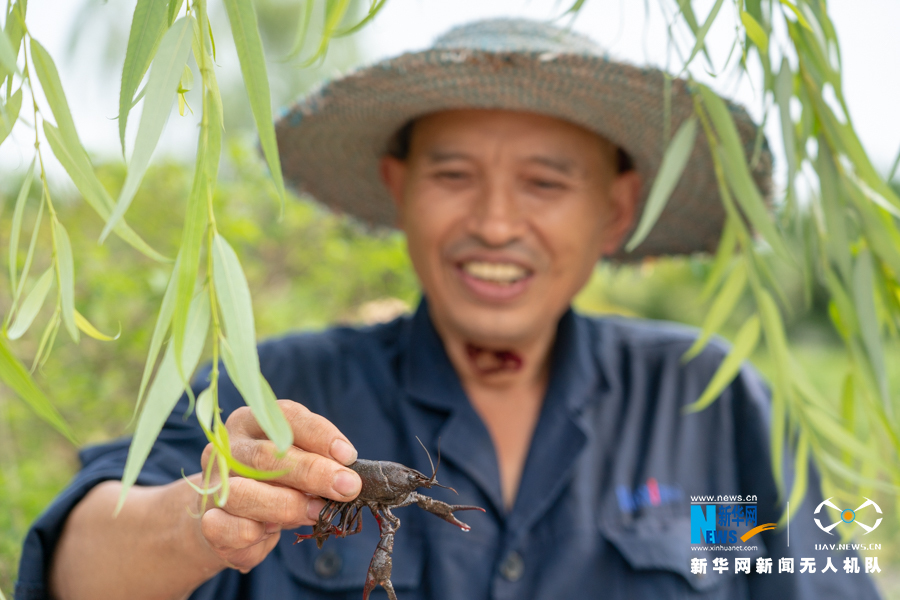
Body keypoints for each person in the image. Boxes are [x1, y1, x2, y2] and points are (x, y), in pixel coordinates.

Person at [17, 18, 881, 600]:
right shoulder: (273, 383)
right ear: (399, 190)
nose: (496, 224)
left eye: (546, 181)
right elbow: (73, 560)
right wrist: (199, 515)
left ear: (616, 209)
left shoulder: (711, 402)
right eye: (453, 174)